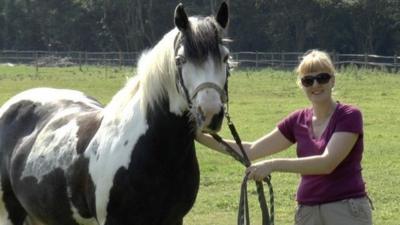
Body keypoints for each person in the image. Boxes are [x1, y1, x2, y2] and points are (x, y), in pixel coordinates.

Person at [196, 49, 373, 225]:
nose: (315, 85)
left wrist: (272, 165)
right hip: (307, 212)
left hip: (345, 210)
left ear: (333, 80)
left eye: (322, 78)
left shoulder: (349, 115)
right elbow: (250, 150)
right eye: (308, 80)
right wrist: (197, 136)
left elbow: (327, 163)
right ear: (301, 84)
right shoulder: (297, 120)